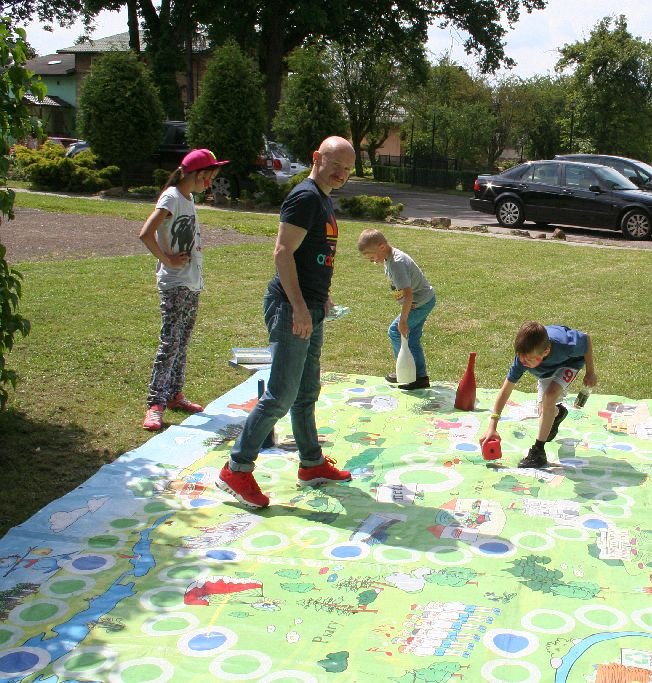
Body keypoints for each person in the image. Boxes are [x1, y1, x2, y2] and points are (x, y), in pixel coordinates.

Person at [218, 136, 357, 508]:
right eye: (335, 165)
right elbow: (282, 253)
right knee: (280, 395)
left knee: (307, 391)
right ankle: (236, 468)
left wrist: (320, 297)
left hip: (310, 306)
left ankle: (311, 464)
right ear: (316, 158)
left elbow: (313, 255)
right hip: (291, 308)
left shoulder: (322, 199)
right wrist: (298, 307)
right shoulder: (305, 197)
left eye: (347, 169)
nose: (341, 174)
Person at [139, 148, 229, 431]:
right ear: (197, 174)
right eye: (209, 177)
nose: (210, 183)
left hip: (191, 282)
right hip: (175, 283)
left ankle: (175, 394)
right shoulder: (172, 197)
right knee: (170, 342)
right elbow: (146, 233)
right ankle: (155, 404)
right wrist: (167, 260)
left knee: (182, 341)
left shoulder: (189, 199)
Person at [479, 322, 597, 469]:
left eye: (529, 359)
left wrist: (590, 372)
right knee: (544, 410)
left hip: (569, 364)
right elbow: (505, 391)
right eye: (521, 358)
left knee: (549, 397)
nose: (523, 363)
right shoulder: (523, 359)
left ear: (546, 352)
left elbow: (586, 339)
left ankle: (538, 452)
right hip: (546, 372)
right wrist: (492, 426)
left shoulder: (564, 343)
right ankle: (558, 413)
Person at [356, 229, 436, 390]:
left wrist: (403, 320)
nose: (372, 260)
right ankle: (417, 375)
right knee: (411, 337)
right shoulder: (389, 257)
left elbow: (408, 295)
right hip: (421, 301)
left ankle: (410, 374)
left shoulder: (397, 263)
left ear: (382, 246)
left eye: (372, 256)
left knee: (395, 331)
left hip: (419, 303)